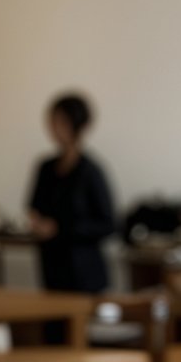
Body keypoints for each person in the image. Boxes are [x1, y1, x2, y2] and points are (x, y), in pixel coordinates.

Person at [26, 92, 116, 293]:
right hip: (52, 268)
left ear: (76, 125)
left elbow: (108, 223)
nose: (54, 128)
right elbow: (34, 207)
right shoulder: (46, 168)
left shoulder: (91, 171)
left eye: (61, 121)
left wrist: (60, 229)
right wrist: (36, 222)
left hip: (83, 271)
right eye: (52, 121)